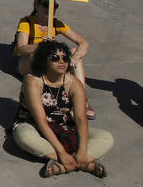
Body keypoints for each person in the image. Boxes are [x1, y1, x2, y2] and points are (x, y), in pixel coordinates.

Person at [12, 40, 112, 178]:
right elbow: (41, 121)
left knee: (106, 137)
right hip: (33, 125)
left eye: (65, 58)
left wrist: (82, 150)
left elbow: (80, 119)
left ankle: (68, 163)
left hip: (64, 127)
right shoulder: (33, 81)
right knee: (25, 137)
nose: (62, 61)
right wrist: (61, 153)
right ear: (44, 60)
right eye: (55, 58)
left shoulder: (73, 83)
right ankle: (79, 162)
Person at [14, 0, 94, 119]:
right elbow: (21, 49)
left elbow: (84, 43)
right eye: (46, 4)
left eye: (54, 5)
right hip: (28, 62)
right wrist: (40, 45)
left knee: (73, 52)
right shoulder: (26, 22)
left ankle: (82, 100)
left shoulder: (55, 24)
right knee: (38, 54)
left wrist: (75, 57)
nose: (50, 8)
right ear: (36, 5)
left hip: (50, 62)